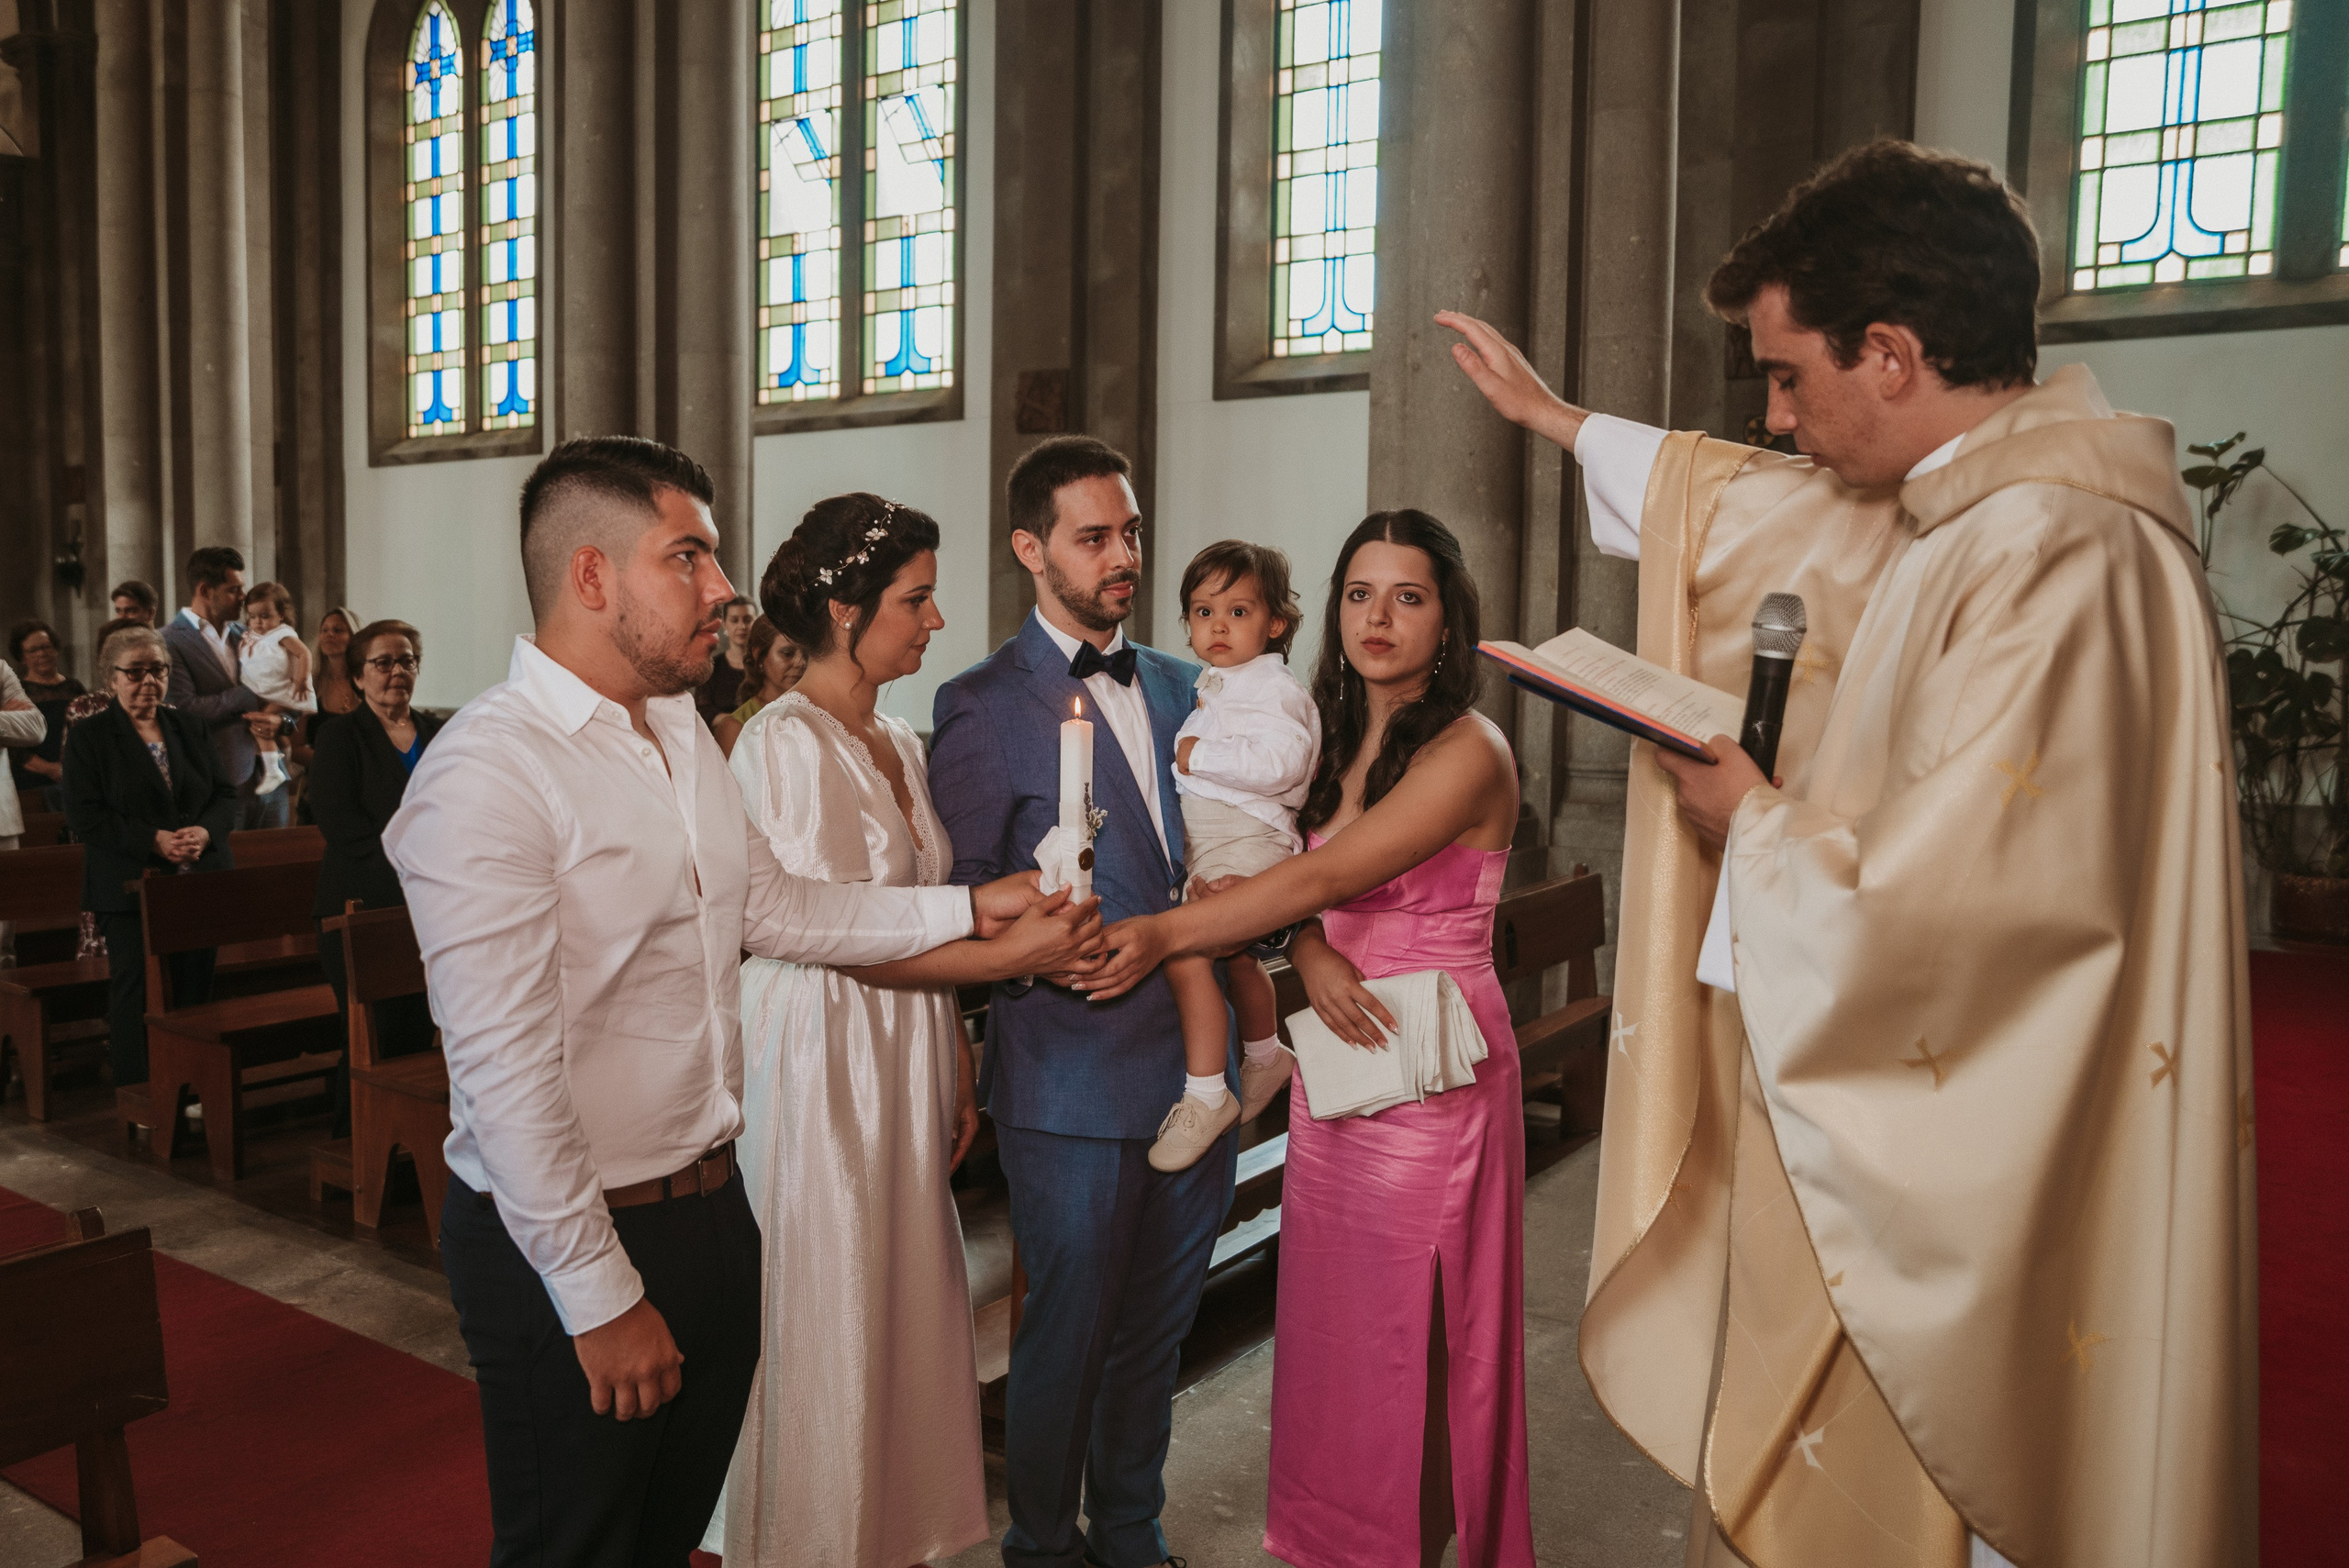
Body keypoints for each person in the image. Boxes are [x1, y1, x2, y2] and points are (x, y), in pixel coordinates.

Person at [1441, 139, 2253, 1568]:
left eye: (1786, 375)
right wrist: (1567, 425)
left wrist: (1749, 823)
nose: (1777, 417)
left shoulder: (2053, 551)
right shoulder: (1988, 513)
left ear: (1888, 352)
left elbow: (1972, 920)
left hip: (1997, 1189)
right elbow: (1759, 503)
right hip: (1997, 1149)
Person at [381, 436, 1100, 1568]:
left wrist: (976, 909)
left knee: (663, 1539)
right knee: (574, 1545)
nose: (724, 589)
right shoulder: (488, 772)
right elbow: (504, 1075)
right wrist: (598, 1293)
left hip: (713, 1202)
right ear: (591, 576)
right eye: (690, 556)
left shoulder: (674, 732)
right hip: (572, 1228)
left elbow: (782, 907)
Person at [1085, 513, 1531, 1568]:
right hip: (1340, 1063)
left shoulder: (1470, 747)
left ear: (1448, 614)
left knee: (1419, 1331)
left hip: (1431, 1069)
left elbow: (1327, 873)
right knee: (1337, 1333)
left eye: (1408, 595)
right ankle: (1339, 1543)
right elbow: (1299, 878)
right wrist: (1311, 950)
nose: (1379, 617)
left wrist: (1162, 932)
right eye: (1360, 592)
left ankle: (1417, 1548)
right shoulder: (1331, 734)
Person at [713, 495, 1074, 1568]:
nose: (934, 620)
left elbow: (915, 899)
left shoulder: (896, 740)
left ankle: (880, 1533)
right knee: (824, 1309)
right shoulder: (783, 741)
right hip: (818, 1052)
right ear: (842, 608)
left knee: (900, 1310)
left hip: (903, 1043)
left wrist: (956, 1057)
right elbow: (814, 924)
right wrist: (1004, 947)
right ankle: (804, 1537)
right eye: (914, 600)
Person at [929, 434, 1235, 1568]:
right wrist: (1042, 953)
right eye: (1094, 536)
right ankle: (1044, 1545)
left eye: (1132, 532)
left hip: (1193, 1065)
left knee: (1157, 1329)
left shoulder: (1185, 680)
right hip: (1068, 1071)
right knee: (1064, 1332)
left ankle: (1133, 1532)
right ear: (1030, 548)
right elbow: (956, 901)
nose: (1124, 556)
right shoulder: (978, 703)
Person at [1147, 540, 1316, 1172]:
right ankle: (1267, 1052)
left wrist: (1198, 757)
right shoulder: (1219, 683)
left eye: (1238, 611)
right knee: (1236, 954)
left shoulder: (1271, 687)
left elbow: (1285, 765)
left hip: (1248, 837)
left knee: (1186, 947)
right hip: (1222, 837)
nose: (1217, 625)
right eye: (1202, 610)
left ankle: (1206, 1094)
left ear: (1275, 622)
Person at [61, 625, 237, 1088]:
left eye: (157, 670)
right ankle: (140, 1090)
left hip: (196, 878)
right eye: (135, 673)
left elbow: (224, 795)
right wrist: (154, 840)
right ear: (111, 679)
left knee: (195, 986)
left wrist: (204, 830)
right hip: (127, 882)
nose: (148, 682)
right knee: (135, 985)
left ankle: (194, 1085)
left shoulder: (189, 726)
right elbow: (85, 815)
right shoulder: (90, 737)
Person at [307, 618, 439, 1137]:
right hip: (359, 907)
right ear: (359, 677)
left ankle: (405, 1146)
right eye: (382, 662)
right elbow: (341, 824)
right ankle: (357, 1143)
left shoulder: (434, 732)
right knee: (371, 1035)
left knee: (417, 1031)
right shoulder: (340, 736)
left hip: (428, 910)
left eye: (406, 660)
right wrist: (421, 864)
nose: (396, 672)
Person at [163, 544, 290, 830]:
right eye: (234, 589)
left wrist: (279, 720)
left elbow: (281, 688)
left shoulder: (247, 635)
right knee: (231, 871)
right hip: (220, 779)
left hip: (271, 774)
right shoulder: (169, 640)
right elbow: (185, 708)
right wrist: (246, 695)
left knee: (279, 865)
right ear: (206, 590)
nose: (244, 597)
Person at [238, 583, 316, 801]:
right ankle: (286, 762)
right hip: (267, 691)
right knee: (273, 731)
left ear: (281, 615)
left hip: (284, 691)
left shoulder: (282, 633)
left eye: (265, 616)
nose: (258, 622)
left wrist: (300, 681)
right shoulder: (252, 635)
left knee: (260, 724)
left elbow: (304, 654)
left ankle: (274, 771)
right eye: (252, 616)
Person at [9, 619, 85, 809]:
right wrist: (50, 769)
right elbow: (13, 746)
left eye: (46, 647)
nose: (42, 654)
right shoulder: (17, 693)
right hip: (31, 781)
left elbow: (88, 731)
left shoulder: (74, 687)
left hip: (75, 775)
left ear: (55, 649)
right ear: (22, 657)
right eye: (33, 650)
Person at [710, 615, 806, 759]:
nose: (801, 663)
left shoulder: (815, 712)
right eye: (787, 653)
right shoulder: (734, 728)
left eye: (807, 655)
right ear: (759, 656)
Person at [695, 595, 757, 726]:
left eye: (747, 619)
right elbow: (703, 712)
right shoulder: (711, 667)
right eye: (734, 620)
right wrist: (740, 723)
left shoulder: (765, 666)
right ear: (725, 625)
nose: (742, 626)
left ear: (756, 622)